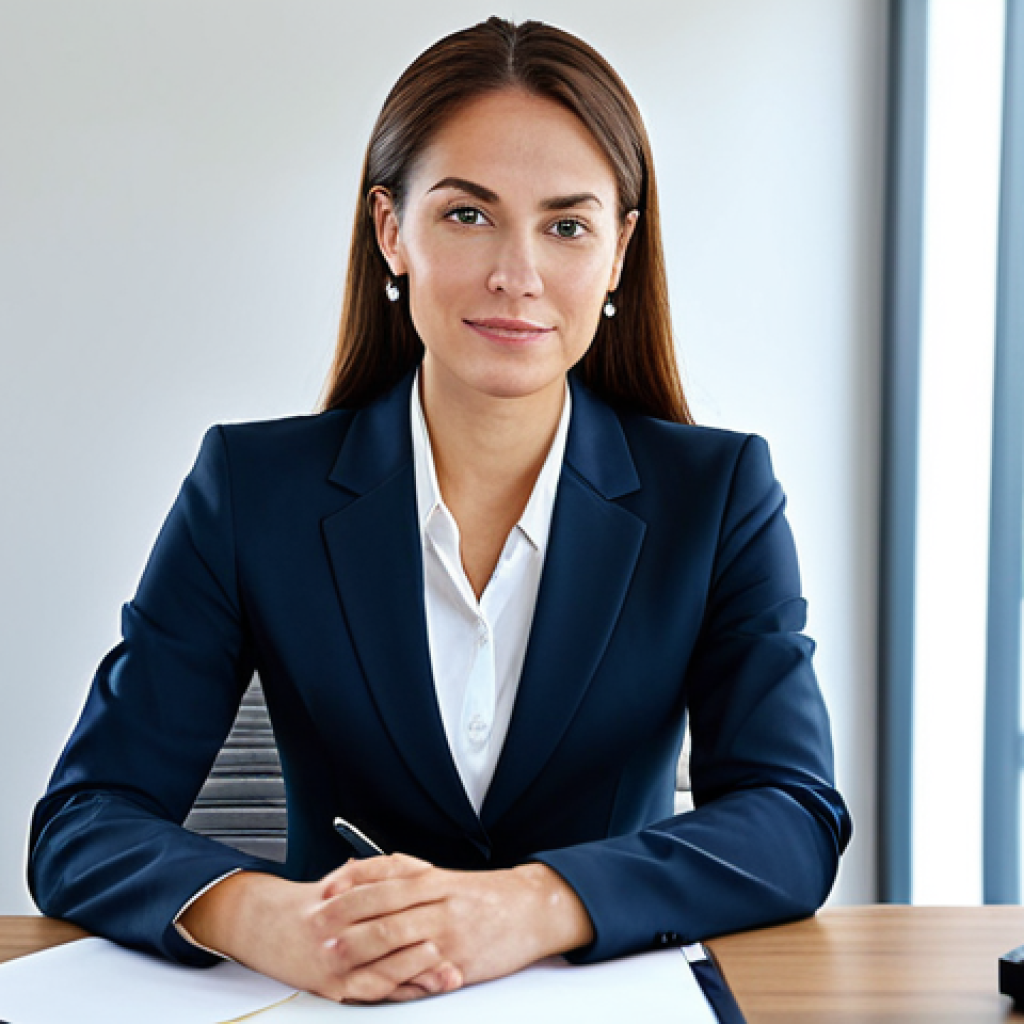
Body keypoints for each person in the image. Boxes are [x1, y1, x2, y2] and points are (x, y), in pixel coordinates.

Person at [28, 16, 851, 1005]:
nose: (517, 274)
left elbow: (790, 817)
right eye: (467, 215)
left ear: (620, 249)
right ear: (391, 230)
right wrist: (264, 914)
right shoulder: (250, 489)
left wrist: (531, 903)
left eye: (566, 224)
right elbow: (85, 817)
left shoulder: (717, 498)